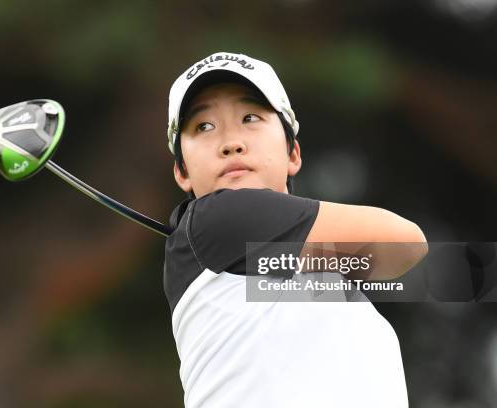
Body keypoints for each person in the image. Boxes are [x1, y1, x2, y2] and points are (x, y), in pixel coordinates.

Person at [163, 51, 427, 407]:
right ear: (182, 172)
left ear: (293, 153)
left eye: (250, 117)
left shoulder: (329, 285)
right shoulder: (219, 216)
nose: (231, 142)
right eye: (203, 127)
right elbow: (406, 242)